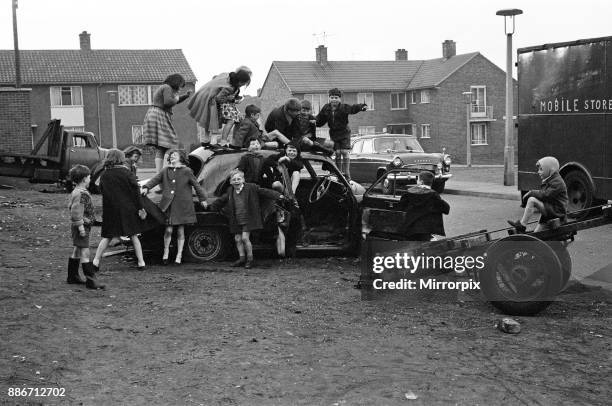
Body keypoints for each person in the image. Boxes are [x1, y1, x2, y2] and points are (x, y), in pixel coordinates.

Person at [207, 168, 283, 269]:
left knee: (244, 238)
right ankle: (242, 258)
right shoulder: (230, 191)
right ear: (230, 182)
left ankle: (250, 260)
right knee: (237, 239)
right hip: (237, 219)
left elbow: (265, 192)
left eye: (239, 179)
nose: (236, 181)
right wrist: (211, 207)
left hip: (249, 218)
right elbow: (221, 200)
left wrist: (279, 196)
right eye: (234, 180)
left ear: (243, 180)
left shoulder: (251, 187)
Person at [141, 149, 207, 265]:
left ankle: (179, 255)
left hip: (182, 205)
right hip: (169, 205)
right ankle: (166, 252)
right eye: (171, 156)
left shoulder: (187, 171)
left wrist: (203, 199)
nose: (172, 157)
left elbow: (196, 185)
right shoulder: (165, 170)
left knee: (181, 231)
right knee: (168, 230)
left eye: (175, 155)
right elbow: (155, 179)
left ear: (181, 158)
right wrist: (146, 187)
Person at [92, 149, 148, 273]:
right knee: (134, 235)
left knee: (107, 237)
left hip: (110, 209)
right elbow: (136, 192)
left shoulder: (105, 175)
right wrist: (140, 208)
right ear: (121, 158)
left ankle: (95, 261)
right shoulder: (127, 173)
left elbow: (100, 189)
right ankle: (141, 262)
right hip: (128, 209)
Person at [188, 66, 252, 147]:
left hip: (207, 97)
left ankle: (206, 141)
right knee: (218, 121)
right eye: (244, 84)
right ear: (241, 82)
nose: (243, 85)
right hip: (213, 101)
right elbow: (219, 98)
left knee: (207, 120)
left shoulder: (227, 77)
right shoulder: (230, 87)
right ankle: (219, 142)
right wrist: (231, 99)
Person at [142, 74, 192, 173]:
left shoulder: (164, 88)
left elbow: (172, 101)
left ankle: (159, 173)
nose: (180, 88)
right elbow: (168, 102)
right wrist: (177, 97)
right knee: (172, 142)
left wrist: (185, 96)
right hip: (159, 114)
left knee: (162, 147)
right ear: (176, 82)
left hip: (154, 114)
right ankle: (166, 170)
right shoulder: (167, 87)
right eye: (180, 85)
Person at [316, 88, 368, 180]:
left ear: (339, 99)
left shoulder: (343, 107)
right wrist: (314, 121)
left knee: (344, 151)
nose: (334, 100)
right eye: (332, 97)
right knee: (337, 152)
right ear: (329, 98)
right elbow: (320, 118)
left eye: (336, 97)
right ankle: (339, 173)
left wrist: (362, 107)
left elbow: (353, 108)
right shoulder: (326, 108)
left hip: (344, 132)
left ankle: (347, 173)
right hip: (334, 132)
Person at [508, 156, 568, 233]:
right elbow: (545, 196)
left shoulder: (557, 182)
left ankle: (522, 225)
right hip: (552, 210)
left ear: (550, 170)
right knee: (536, 234)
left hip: (557, 212)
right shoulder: (551, 180)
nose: (538, 172)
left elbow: (546, 195)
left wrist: (531, 193)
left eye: (541, 169)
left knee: (532, 200)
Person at [66, 164, 99, 288]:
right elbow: (76, 212)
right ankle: (91, 281)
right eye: (90, 177)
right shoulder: (81, 194)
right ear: (85, 178)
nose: (90, 179)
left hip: (81, 225)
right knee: (85, 252)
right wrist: (81, 228)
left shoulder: (78, 192)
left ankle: (72, 276)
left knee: (77, 250)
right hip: (81, 227)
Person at [398, 171, 450, 241]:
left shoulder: (408, 193)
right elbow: (446, 209)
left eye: (418, 179)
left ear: (421, 182)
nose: (417, 180)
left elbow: (401, 206)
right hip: (426, 229)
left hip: (410, 227)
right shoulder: (433, 195)